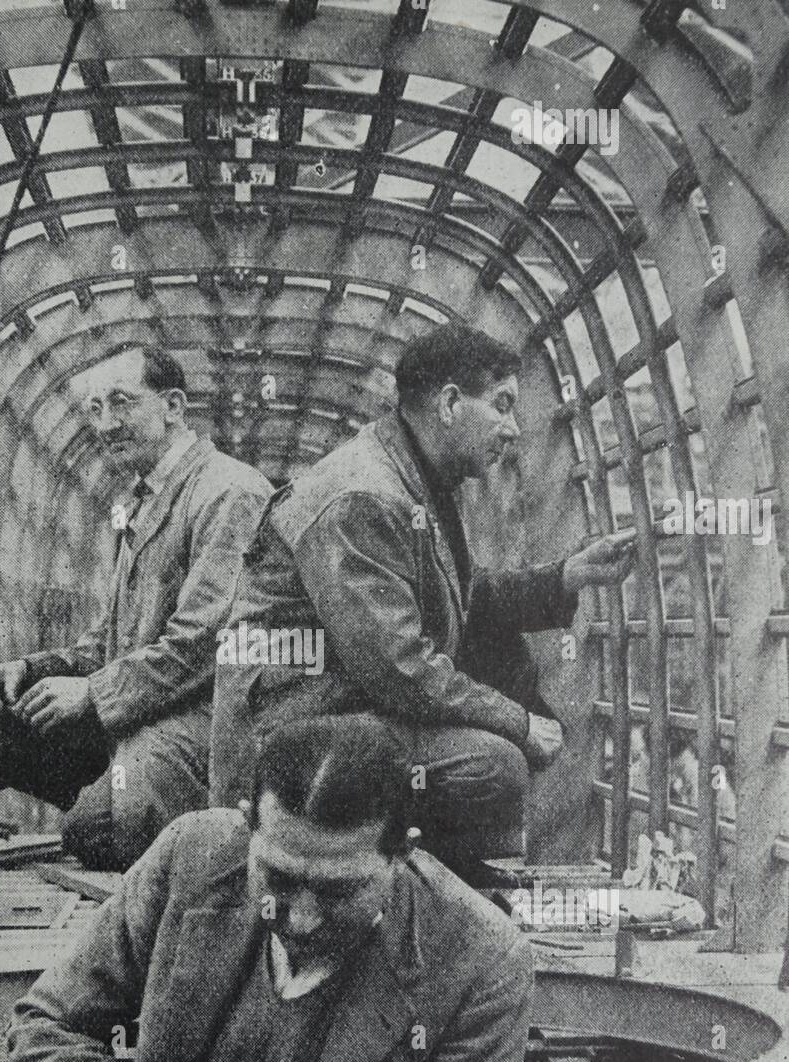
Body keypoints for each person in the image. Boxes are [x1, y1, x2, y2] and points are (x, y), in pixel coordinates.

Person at [210, 322, 636, 882]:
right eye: (502, 406)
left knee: (502, 678)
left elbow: (462, 597)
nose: (512, 430)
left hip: (329, 711)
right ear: (451, 404)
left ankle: (416, 870)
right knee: (493, 766)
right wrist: (520, 722)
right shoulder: (364, 495)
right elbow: (396, 667)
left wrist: (570, 575)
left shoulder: (410, 479)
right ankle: (397, 878)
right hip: (286, 738)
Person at [6, 715, 533, 1062]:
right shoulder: (190, 855)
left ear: (402, 855)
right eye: (278, 879)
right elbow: (52, 1022)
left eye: (338, 890)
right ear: (246, 825)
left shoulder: (481, 960)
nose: (301, 920)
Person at [0, 344, 272, 869]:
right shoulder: (145, 499)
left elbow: (202, 646)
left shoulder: (227, 491)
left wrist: (90, 694)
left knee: (101, 827)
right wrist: (28, 671)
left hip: (210, 716)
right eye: (94, 409)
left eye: (122, 403)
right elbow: (107, 641)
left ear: (173, 407)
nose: (106, 424)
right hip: (148, 706)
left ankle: (201, 833)